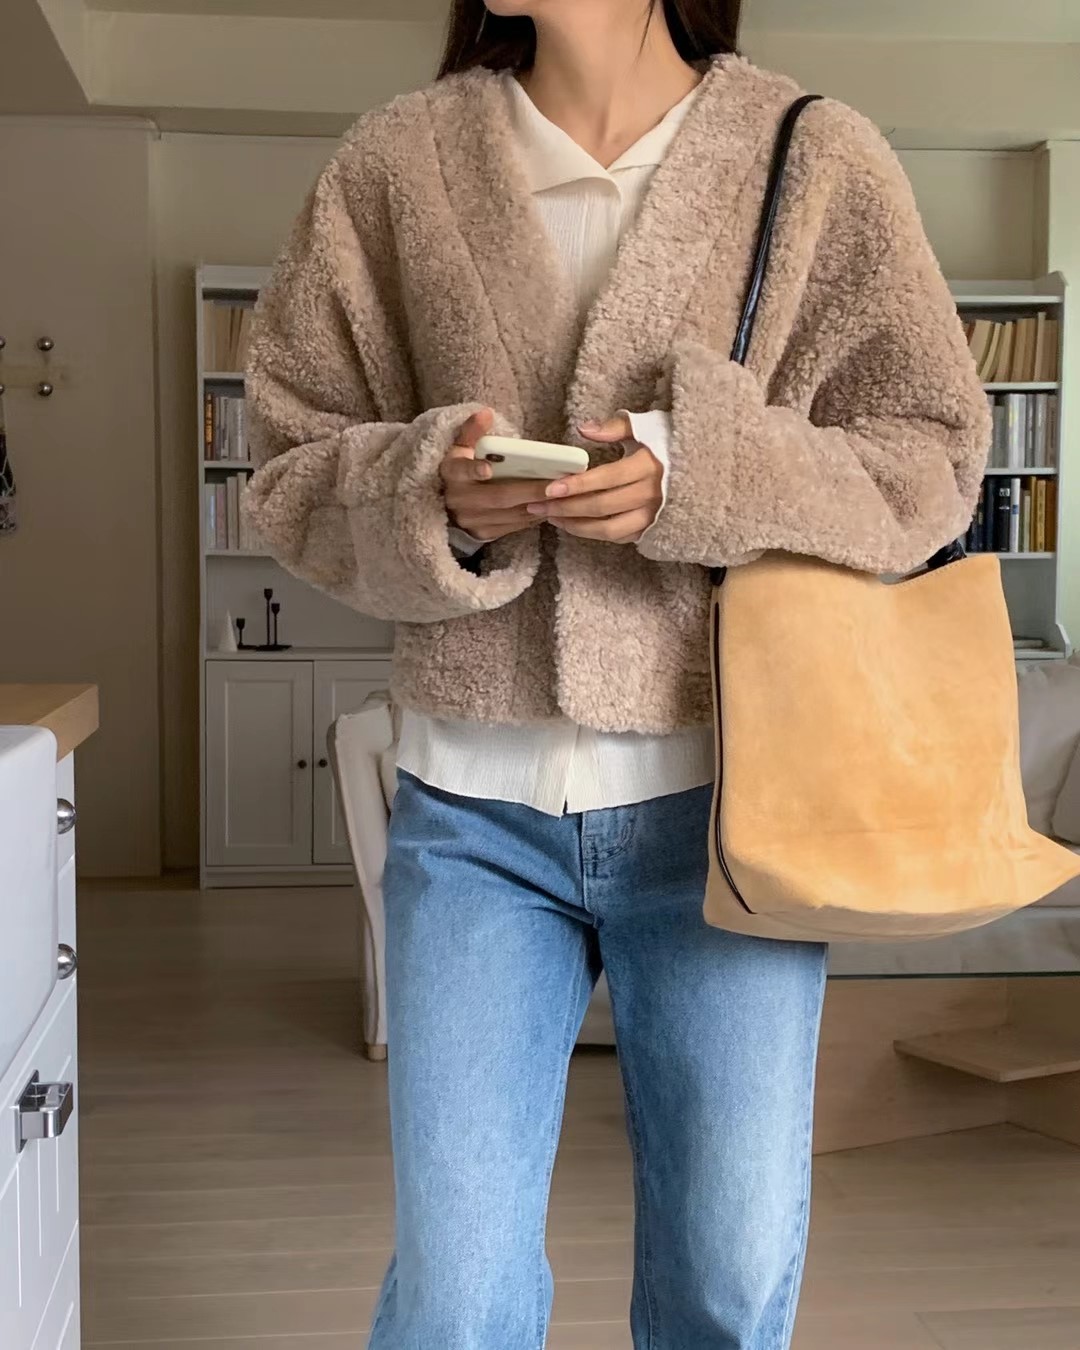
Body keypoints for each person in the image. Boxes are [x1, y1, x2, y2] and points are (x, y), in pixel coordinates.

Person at [244, 2, 990, 1345]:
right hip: (471, 814)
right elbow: (290, 458)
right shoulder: (397, 163)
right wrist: (434, 494)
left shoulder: (812, 157)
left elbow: (931, 453)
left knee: (726, 1281)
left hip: (730, 814)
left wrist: (698, 469)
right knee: (453, 1305)